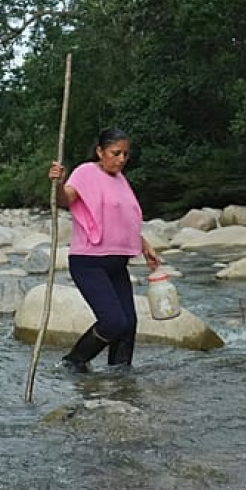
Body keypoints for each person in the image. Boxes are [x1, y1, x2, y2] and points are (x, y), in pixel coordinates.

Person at [47, 128, 161, 371]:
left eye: (125, 154)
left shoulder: (121, 179)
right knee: (113, 323)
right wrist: (57, 183)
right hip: (89, 262)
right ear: (100, 151)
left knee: (129, 324)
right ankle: (74, 362)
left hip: (117, 263)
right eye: (115, 153)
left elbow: (123, 219)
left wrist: (144, 245)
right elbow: (65, 199)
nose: (121, 159)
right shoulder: (85, 172)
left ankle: (119, 378)